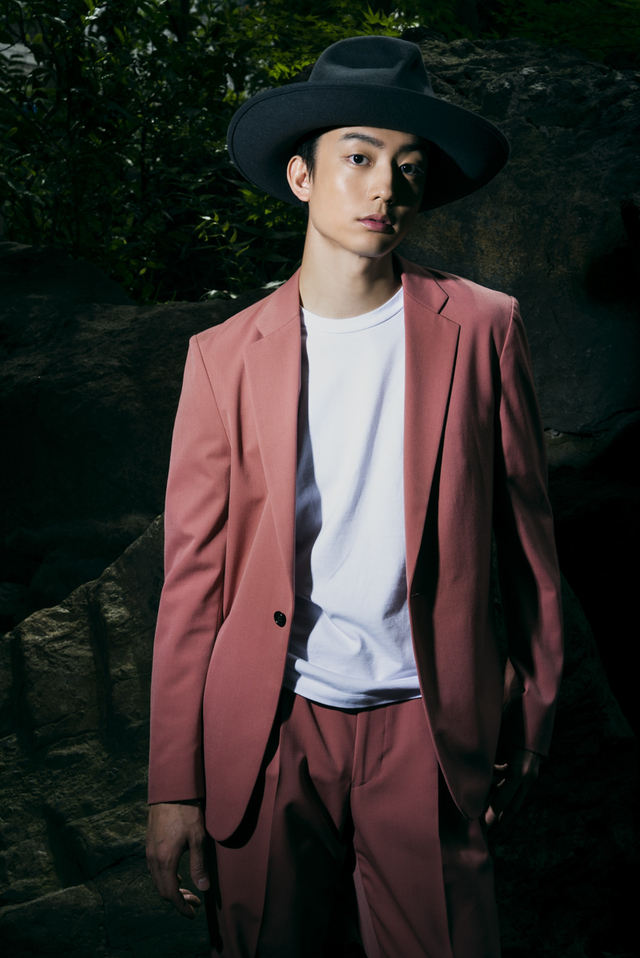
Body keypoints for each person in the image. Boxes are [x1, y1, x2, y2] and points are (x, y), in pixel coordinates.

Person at [145, 35, 564, 958]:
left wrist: (532, 708)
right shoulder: (222, 359)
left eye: (409, 167)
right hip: (271, 723)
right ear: (301, 176)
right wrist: (173, 783)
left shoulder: (484, 328)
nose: (386, 188)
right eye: (361, 158)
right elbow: (192, 583)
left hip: (431, 719)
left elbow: (527, 537)